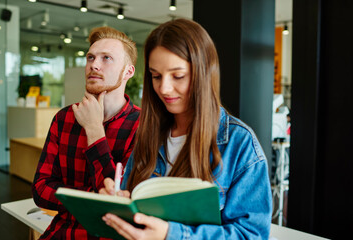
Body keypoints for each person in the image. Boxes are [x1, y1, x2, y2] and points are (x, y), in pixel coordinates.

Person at [100, 18, 272, 239]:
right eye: (156, 76)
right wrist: (120, 203)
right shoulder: (149, 134)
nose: (164, 88)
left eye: (178, 76)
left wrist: (171, 235)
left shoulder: (239, 143)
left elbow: (252, 235)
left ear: (204, 73)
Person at [32, 26, 140, 239]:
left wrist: (94, 131)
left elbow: (121, 205)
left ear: (128, 71)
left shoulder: (143, 125)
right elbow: (40, 189)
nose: (94, 65)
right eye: (90, 57)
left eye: (106, 58)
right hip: (61, 233)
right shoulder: (64, 118)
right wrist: (93, 201)